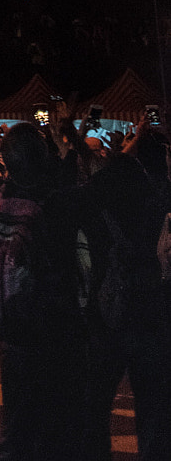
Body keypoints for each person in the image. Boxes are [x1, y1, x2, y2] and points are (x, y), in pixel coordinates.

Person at [0, 122, 86, 461]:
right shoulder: (56, 202)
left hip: (13, 329)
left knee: (18, 424)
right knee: (58, 426)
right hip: (54, 329)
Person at [78, 151, 171, 460]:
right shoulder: (155, 204)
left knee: (95, 404)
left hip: (104, 316)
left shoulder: (92, 205)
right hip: (149, 313)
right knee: (152, 405)